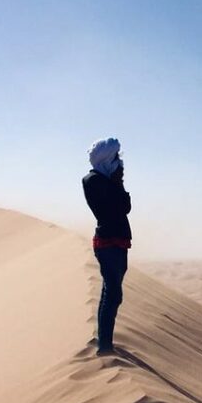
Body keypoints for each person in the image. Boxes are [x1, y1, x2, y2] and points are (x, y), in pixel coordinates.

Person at [82, 138, 131, 356]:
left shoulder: (107, 179)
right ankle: (105, 346)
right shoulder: (93, 181)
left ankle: (105, 342)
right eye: (115, 158)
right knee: (113, 293)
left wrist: (117, 181)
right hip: (108, 242)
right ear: (105, 160)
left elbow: (125, 207)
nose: (119, 162)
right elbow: (117, 208)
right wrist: (117, 182)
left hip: (118, 241)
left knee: (110, 292)